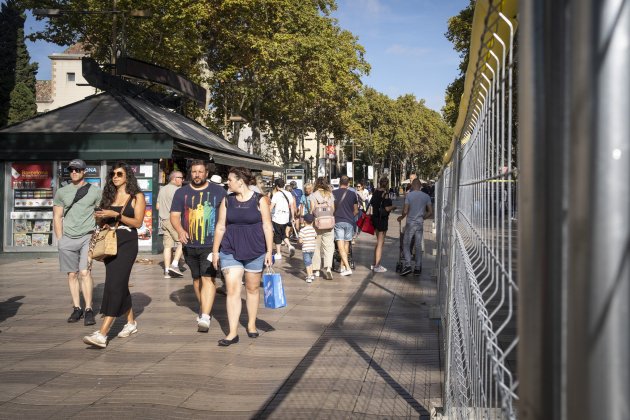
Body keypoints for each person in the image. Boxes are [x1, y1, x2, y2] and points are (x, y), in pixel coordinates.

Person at [82, 162, 146, 348]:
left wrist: (116, 215)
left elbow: (138, 222)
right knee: (118, 283)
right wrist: (102, 217)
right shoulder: (109, 195)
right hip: (109, 243)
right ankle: (131, 323)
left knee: (115, 285)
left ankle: (103, 333)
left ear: (127, 176)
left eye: (119, 173)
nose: (115, 177)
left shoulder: (137, 196)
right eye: (113, 174)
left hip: (127, 242)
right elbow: (104, 220)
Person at [212, 167, 273, 346]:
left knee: (252, 289)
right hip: (230, 248)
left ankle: (251, 324)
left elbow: (267, 226)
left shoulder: (260, 200)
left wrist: (269, 251)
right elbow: (220, 226)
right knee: (232, 289)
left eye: (230, 179)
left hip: (255, 249)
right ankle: (232, 333)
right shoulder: (227, 200)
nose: (227, 183)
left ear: (240, 181)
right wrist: (215, 251)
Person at [170, 160, 226, 333]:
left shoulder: (219, 192)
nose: (197, 175)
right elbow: (174, 216)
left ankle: (205, 316)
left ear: (206, 173)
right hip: (190, 244)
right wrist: (179, 230)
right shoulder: (181, 193)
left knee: (208, 278)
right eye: (194, 172)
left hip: (211, 244)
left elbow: (226, 218)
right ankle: (204, 307)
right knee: (196, 279)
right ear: (190, 173)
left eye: (200, 172)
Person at [53, 159, 102, 326]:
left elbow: (100, 213)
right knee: (72, 274)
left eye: (77, 170)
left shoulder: (95, 191)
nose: (74, 172)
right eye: (71, 170)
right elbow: (57, 216)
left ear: (84, 172)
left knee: (84, 272)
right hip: (67, 238)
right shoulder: (61, 192)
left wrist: (98, 233)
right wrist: (60, 239)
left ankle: (88, 309)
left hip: (87, 237)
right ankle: (76, 308)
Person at [397, 178, 433, 276]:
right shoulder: (426, 196)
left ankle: (408, 264)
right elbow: (430, 211)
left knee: (406, 243)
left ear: (412, 185)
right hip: (420, 223)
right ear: (420, 186)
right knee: (418, 245)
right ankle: (417, 267)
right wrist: (423, 218)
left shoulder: (409, 195)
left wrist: (401, 217)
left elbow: (405, 211)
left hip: (410, 223)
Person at [156, 171, 184, 278]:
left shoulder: (162, 189)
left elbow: (157, 206)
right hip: (173, 220)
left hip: (163, 220)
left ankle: (167, 271)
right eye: (180, 177)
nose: (182, 179)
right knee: (183, 241)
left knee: (167, 246)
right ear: (174, 178)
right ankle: (174, 264)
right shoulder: (178, 190)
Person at [332, 175, 359, 276]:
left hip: (338, 221)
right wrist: (349, 216)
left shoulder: (333, 193)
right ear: (348, 183)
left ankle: (346, 267)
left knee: (340, 245)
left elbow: (332, 209)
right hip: (349, 222)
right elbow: (356, 211)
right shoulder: (353, 194)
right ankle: (342, 267)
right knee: (346, 244)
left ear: (339, 182)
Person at [310, 177, 335, 280]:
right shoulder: (330, 195)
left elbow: (312, 211)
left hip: (317, 224)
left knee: (316, 247)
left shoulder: (313, 195)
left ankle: (316, 270)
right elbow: (333, 210)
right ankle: (328, 267)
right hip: (329, 224)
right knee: (329, 247)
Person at [370, 177, 397, 272]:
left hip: (375, 218)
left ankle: (374, 263)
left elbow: (373, 204)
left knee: (378, 242)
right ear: (387, 184)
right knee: (380, 243)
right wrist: (393, 206)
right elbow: (386, 208)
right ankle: (377, 265)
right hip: (382, 220)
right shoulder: (385, 194)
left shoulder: (375, 193)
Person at [270, 178, 296, 260]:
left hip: (277, 217)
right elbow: (292, 206)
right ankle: (290, 246)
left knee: (277, 235)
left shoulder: (276, 194)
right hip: (285, 218)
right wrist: (292, 217)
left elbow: (271, 207)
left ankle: (278, 253)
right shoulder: (288, 193)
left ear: (277, 186)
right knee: (283, 233)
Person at [299, 213, 317, 283]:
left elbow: (300, 241)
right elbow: (315, 236)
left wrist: (300, 240)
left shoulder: (302, 230)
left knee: (307, 263)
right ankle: (311, 274)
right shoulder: (313, 229)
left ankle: (309, 276)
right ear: (312, 222)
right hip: (312, 248)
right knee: (310, 262)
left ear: (304, 221)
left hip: (306, 249)